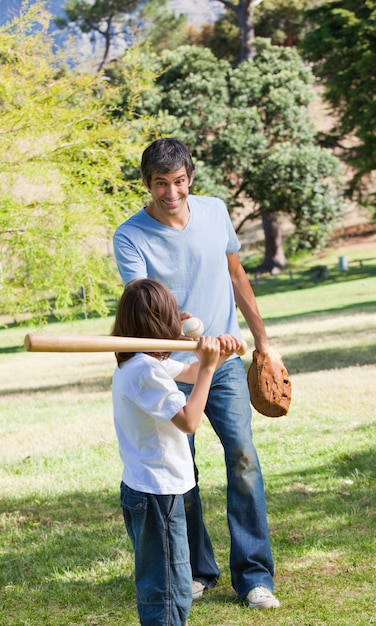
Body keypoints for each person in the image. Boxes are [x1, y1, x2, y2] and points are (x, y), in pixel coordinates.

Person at [113, 138, 281, 610]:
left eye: (180, 182)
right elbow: (145, 302)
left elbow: (237, 276)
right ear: (147, 184)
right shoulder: (129, 235)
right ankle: (196, 571)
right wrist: (188, 331)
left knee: (244, 459)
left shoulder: (214, 211)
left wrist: (263, 344)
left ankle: (254, 578)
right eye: (161, 184)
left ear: (191, 178)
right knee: (178, 474)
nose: (172, 193)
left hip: (224, 360)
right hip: (168, 368)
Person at [112, 278, 243, 626]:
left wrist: (216, 354)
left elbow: (188, 371)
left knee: (172, 583)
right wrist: (211, 368)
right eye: (172, 316)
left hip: (152, 489)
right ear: (161, 324)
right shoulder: (145, 371)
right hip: (157, 493)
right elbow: (189, 420)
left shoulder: (140, 362)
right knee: (168, 591)